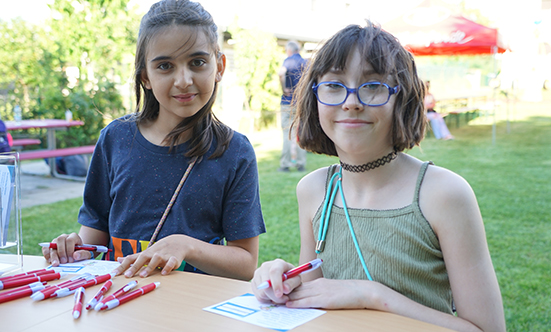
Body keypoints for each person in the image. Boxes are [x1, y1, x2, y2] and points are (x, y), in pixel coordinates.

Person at [251, 22, 506, 332]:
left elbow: (486, 329)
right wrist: (282, 281)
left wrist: (371, 295)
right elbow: (315, 300)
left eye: (373, 85)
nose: (351, 101)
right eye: (334, 84)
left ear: (402, 98)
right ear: (314, 96)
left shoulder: (443, 194)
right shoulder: (314, 190)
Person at [42, 0, 265, 281]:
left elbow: (245, 264)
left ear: (219, 66)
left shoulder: (234, 151)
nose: (183, 80)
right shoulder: (115, 138)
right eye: (165, 66)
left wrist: (187, 246)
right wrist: (76, 249)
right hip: (118, 304)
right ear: (145, 75)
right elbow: (94, 234)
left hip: (193, 310)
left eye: (197, 62)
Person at [278, 41, 307, 172]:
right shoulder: (305, 63)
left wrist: (284, 89)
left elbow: (281, 73)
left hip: (288, 103)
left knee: (287, 133)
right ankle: (300, 164)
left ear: (289, 50)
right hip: (302, 103)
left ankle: (285, 164)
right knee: (300, 133)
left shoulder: (288, 61)